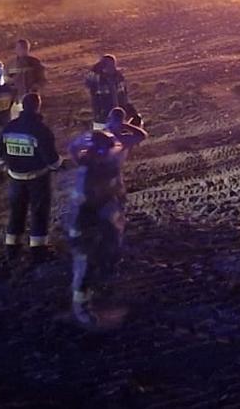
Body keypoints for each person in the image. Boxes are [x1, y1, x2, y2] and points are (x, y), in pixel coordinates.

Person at [67, 106, 145, 327]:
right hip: (88, 218)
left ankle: (96, 287)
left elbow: (73, 148)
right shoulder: (97, 170)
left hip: (94, 213)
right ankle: (82, 305)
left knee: (99, 252)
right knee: (85, 261)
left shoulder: (92, 163)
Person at [0, 92, 62, 258]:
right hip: (38, 178)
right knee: (38, 212)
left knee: (16, 212)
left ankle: (12, 247)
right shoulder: (41, 130)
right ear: (38, 107)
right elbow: (51, 159)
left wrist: (6, 163)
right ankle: (38, 250)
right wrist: (60, 165)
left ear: (22, 106)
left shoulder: (10, 127)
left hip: (15, 178)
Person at [84, 54, 133, 130]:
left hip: (117, 107)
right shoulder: (98, 76)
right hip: (103, 107)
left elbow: (124, 92)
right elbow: (88, 82)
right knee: (101, 127)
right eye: (107, 64)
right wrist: (95, 68)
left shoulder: (118, 75)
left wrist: (127, 105)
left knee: (117, 128)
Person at [6, 39, 46, 118]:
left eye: (23, 48)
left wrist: (35, 88)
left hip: (31, 100)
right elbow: (7, 81)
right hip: (16, 100)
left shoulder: (35, 63)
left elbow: (42, 79)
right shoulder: (11, 64)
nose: (21, 50)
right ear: (15, 49)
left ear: (27, 49)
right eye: (19, 48)